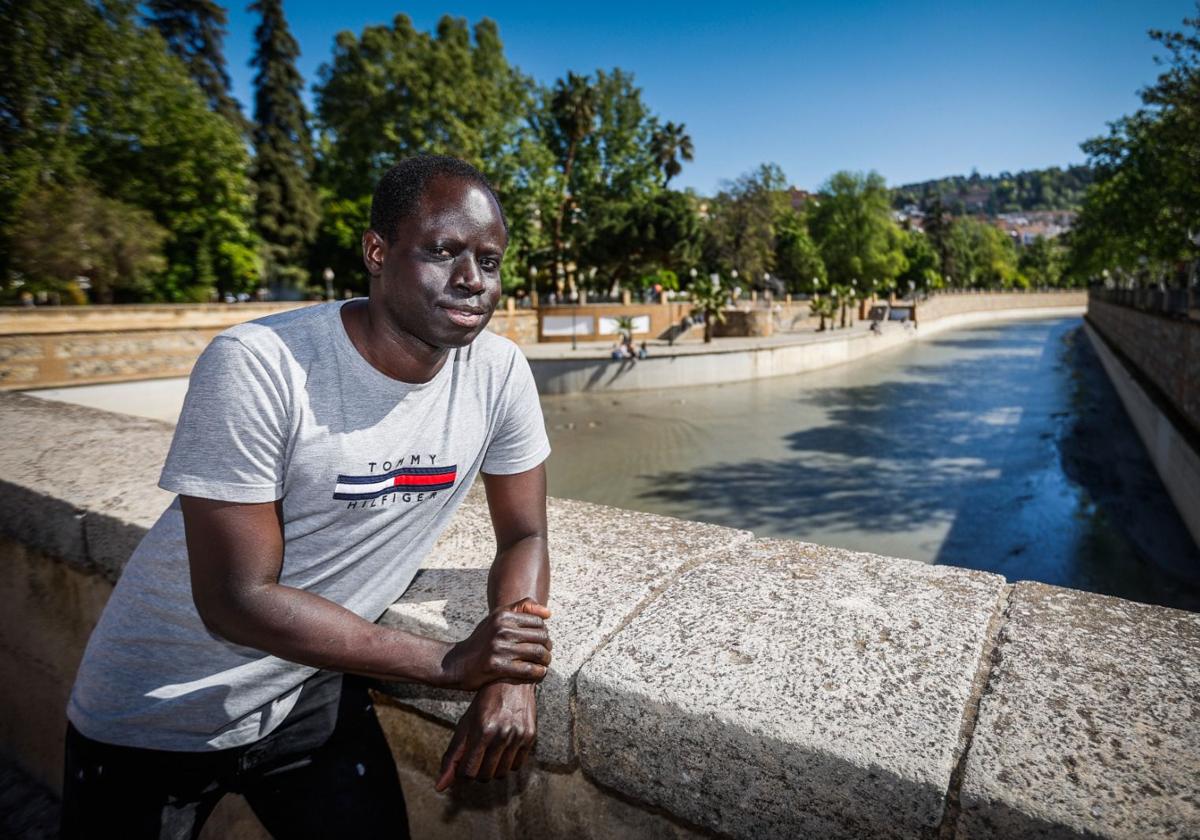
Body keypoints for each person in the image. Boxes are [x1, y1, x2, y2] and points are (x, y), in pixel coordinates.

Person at [61, 156, 554, 839]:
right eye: (443, 252)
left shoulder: (498, 375)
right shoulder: (259, 364)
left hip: (310, 692)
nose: (472, 279)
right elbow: (237, 599)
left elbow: (525, 535)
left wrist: (513, 669)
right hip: (157, 710)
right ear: (376, 252)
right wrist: (452, 662)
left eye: (490, 260)